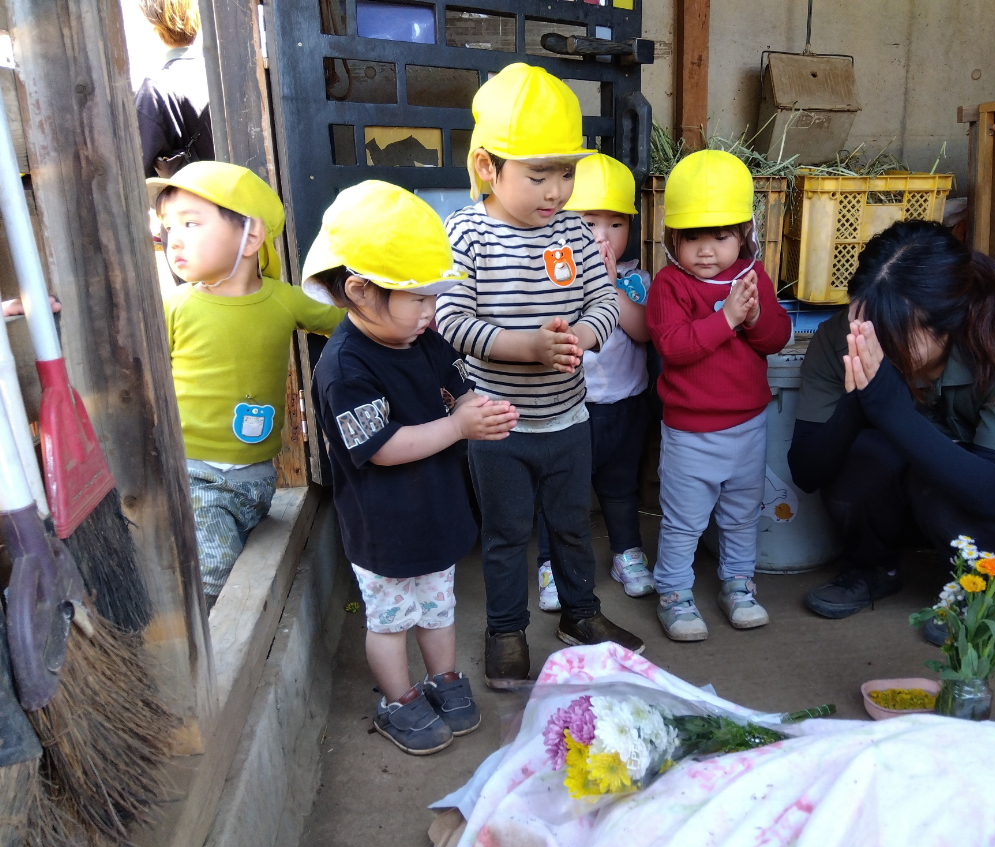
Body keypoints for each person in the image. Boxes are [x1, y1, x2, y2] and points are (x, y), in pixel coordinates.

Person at [435, 63, 644, 688]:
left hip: (568, 419)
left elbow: (603, 302)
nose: (556, 191)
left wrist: (583, 336)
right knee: (505, 534)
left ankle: (581, 615)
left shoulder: (574, 232)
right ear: (486, 167)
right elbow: (450, 319)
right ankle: (506, 631)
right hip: (498, 424)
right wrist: (526, 347)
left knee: (572, 526)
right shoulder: (466, 234)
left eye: (566, 173)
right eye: (538, 175)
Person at [788, 220, 995, 633]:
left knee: (942, 474)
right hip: (897, 503)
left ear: (948, 321)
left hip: (982, 505)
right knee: (865, 452)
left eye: (893, 328)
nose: (872, 338)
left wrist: (892, 410)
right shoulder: (843, 338)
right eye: (865, 319)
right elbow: (806, 471)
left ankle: (978, 587)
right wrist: (860, 400)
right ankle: (872, 569)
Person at [305, 182, 516, 754]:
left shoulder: (423, 339)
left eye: (434, 296)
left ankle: (443, 678)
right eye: (418, 298)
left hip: (435, 509)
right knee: (391, 619)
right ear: (360, 291)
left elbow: (454, 386)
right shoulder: (344, 368)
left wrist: (476, 408)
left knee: (439, 607)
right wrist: (458, 428)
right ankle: (397, 699)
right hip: (384, 525)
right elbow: (383, 447)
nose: (430, 310)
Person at [149, 161, 344, 607]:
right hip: (194, 471)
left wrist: (400, 303)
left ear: (252, 236)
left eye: (190, 223)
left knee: (237, 559)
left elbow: (344, 321)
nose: (172, 239)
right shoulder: (174, 305)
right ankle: (212, 644)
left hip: (258, 474)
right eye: (168, 226)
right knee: (216, 574)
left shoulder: (282, 300)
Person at [645, 150, 792, 642]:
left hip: (749, 424)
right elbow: (673, 346)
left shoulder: (752, 278)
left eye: (721, 237)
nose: (706, 251)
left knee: (741, 513)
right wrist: (727, 318)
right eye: (692, 238)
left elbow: (776, 338)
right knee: (684, 519)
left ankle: (738, 583)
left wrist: (755, 317)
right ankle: (673, 591)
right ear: (672, 238)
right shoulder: (669, 284)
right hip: (691, 432)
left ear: (745, 234)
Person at [534, 154, 654, 611]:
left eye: (615, 224)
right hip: (568, 407)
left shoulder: (635, 279)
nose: (602, 236)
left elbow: (643, 332)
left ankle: (627, 553)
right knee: (559, 492)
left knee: (620, 486)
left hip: (624, 405)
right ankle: (552, 565)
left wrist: (610, 285)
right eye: (588, 222)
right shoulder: (551, 275)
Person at [135, 0, 214, 178]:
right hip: (239, 192)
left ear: (152, 25)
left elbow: (134, 175)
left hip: (192, 195)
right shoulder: (221, 75)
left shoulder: (154, 91)